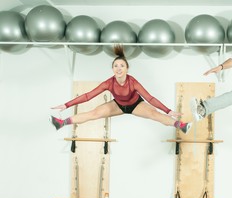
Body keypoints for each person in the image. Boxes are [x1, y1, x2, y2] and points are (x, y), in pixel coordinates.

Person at [51, 44, 191, 134]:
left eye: (122, 66)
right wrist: (66, 104)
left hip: (136, 105)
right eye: (116, 66)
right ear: (112, 69)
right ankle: (62, 123)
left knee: (155, 115)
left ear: (127, 68)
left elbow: (149, 98)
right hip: (117, 105)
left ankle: (181, 125)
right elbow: (88, 96)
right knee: (93, 113)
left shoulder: (133, 82)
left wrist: (169, 110)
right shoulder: (109, 83)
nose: (118, 68)